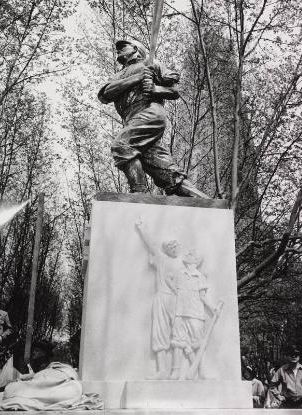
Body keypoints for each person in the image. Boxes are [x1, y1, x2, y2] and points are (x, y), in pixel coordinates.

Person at [98, 39, 208, 198]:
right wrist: (137, 78)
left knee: (122, 145)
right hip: (131, 118)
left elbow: (174, 91)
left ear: (134, 48)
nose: (118, 51)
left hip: (149, 111)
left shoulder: (151, 63)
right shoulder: (118, 75)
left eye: (122, 47)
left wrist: (155, 89)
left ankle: (139, 195)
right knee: (162, 169)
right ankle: (204, 202)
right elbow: (105, 94)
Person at [135, 217, 183, 379]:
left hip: (177, 300)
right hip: (163, 298)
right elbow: (153, 245)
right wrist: (142, 229)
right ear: (167, 249)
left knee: (178, 334)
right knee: (160, 333)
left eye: (177, 245)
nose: (175, 248)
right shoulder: (162, 259)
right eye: (172, 246)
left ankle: (177, 370)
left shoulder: (183, 264)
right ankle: (162, 370)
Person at [170, 249, 218, 380]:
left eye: (192, 255)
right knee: (178, 342)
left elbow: (203, 296)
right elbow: (173, 292)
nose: (188, 255)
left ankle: (201, 371)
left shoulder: (200, 276)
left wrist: (212, 307)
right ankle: (175, 371)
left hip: (196, 313)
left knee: (198, 343)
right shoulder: (179, 274)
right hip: (180, 312)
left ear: (196, 262)